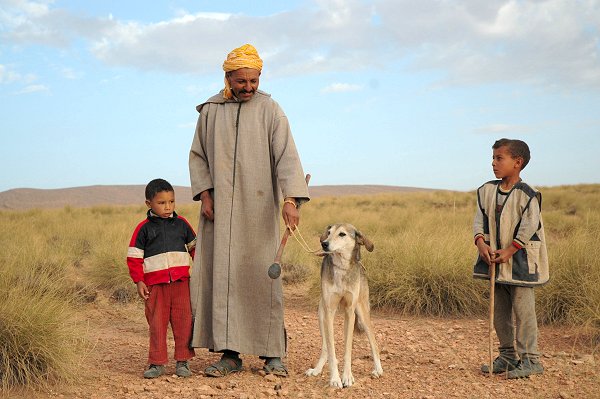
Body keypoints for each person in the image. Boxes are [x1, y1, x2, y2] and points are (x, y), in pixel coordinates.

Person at [188, 43, 309, 378]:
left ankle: (273, 354)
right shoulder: (211, 112)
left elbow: (288, 157)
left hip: (257, 212)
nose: (248, 87)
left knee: (261, 279)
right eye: (242, 81)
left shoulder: (271, 110)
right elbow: (198, 157)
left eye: (254, 81)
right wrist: (205, 194)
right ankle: (229, 354)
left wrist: (291, 199)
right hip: (220, 213)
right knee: (225, 279)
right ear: (228, 78)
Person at [473, 138, 549, 379]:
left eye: (499, 158)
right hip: (494, 262)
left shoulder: (528, 194)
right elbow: (479, 220)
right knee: (500, 312)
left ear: (518, 162)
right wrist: (480, 242)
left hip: (520, 263)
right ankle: (507, 357)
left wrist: (509, 250)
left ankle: (530, 360)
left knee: (524, 312)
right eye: (493, 158)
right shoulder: (486, 190)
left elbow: (528, 227)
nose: (493, 163)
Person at [126, 178, 197, 378]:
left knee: (183, 322)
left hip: (181, 284)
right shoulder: (143, 229)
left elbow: (195, 248)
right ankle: (157, 363)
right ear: (149, 204)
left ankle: (183, 361)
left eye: (172, 202)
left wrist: (199, 269)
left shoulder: (182, 224)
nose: (168, 207)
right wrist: (138, 280)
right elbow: (134, 257)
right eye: (162, 203)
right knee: (157, 325)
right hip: (155, 287)